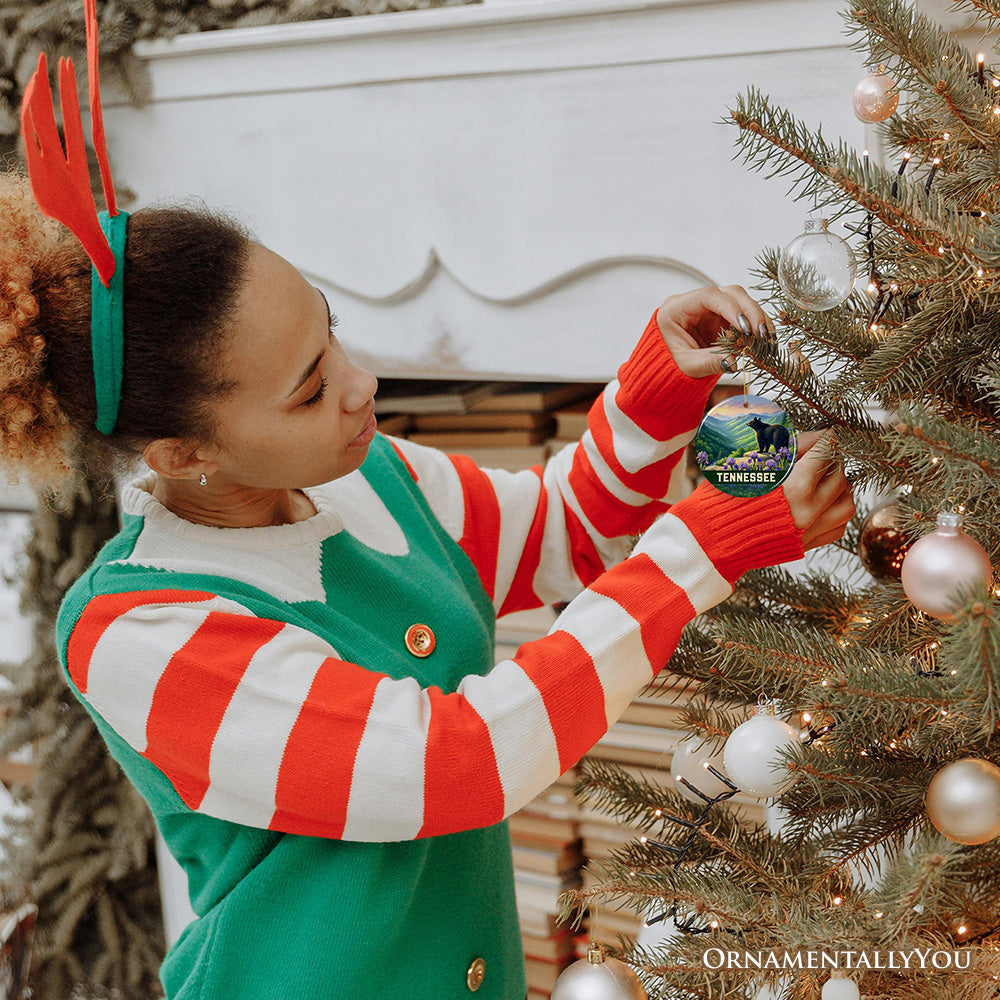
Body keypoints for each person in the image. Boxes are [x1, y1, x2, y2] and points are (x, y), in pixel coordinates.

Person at [0, 161, 854, 999]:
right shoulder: (141, 631)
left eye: (329, 330)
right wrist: (702, 549)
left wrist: (656, 391)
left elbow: (563, 533)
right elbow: (457, 763)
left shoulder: (368, 475)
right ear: (185, 455)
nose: (361, 381)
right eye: (310, 390)